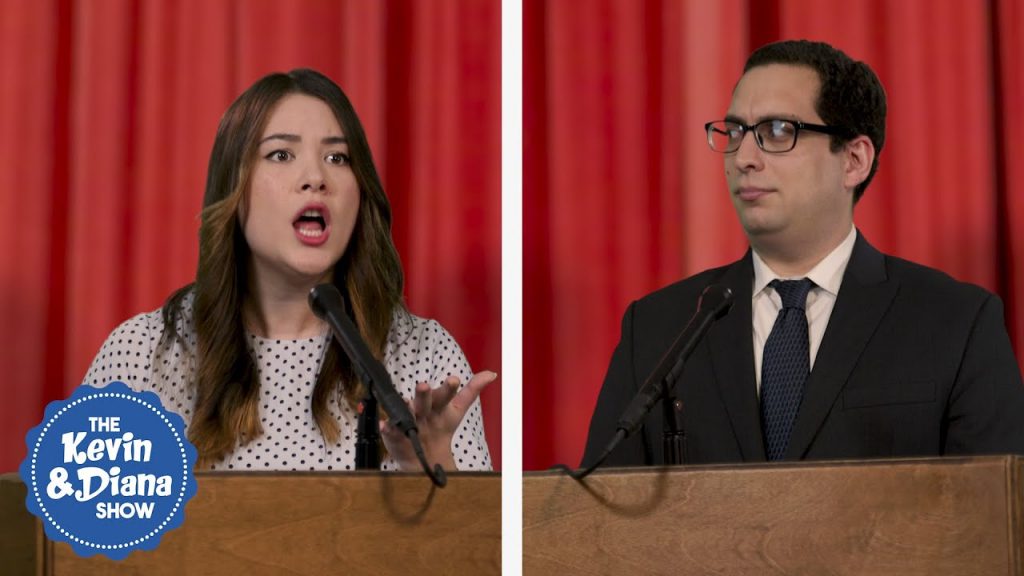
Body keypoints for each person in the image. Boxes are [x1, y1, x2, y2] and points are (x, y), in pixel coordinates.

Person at [582, 40, 1024, 467]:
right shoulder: (659, 328)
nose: (744, 158)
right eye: (735, 131)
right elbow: (600, 518)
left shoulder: (955, 323)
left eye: (777, 131)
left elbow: (993, 518)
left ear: (853, 160)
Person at [83, 69, 494, 472]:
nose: (315, 178)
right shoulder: (142, 355)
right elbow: (83, 532)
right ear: (234, 189)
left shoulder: (422, 354)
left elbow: (476, 540)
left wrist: (432, 462)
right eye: (281, 154)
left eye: (338, 157)